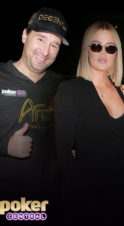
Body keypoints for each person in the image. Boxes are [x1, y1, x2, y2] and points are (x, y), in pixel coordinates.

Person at [54, 21, 124, 226]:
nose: (103, 52)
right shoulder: (70, 90)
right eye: (96, 46)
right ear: (86, 49)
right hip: (88, 199)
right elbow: (63, 153)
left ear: (116, 54)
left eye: (110, 48)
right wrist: (79, 198)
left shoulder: (122, 91)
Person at [0, 7, 69, 203]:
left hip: (49, 200)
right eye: (40, 39)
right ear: (24, 35)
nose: (46, 51)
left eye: (54, 45)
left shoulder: (61, 86)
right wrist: (5, 145)